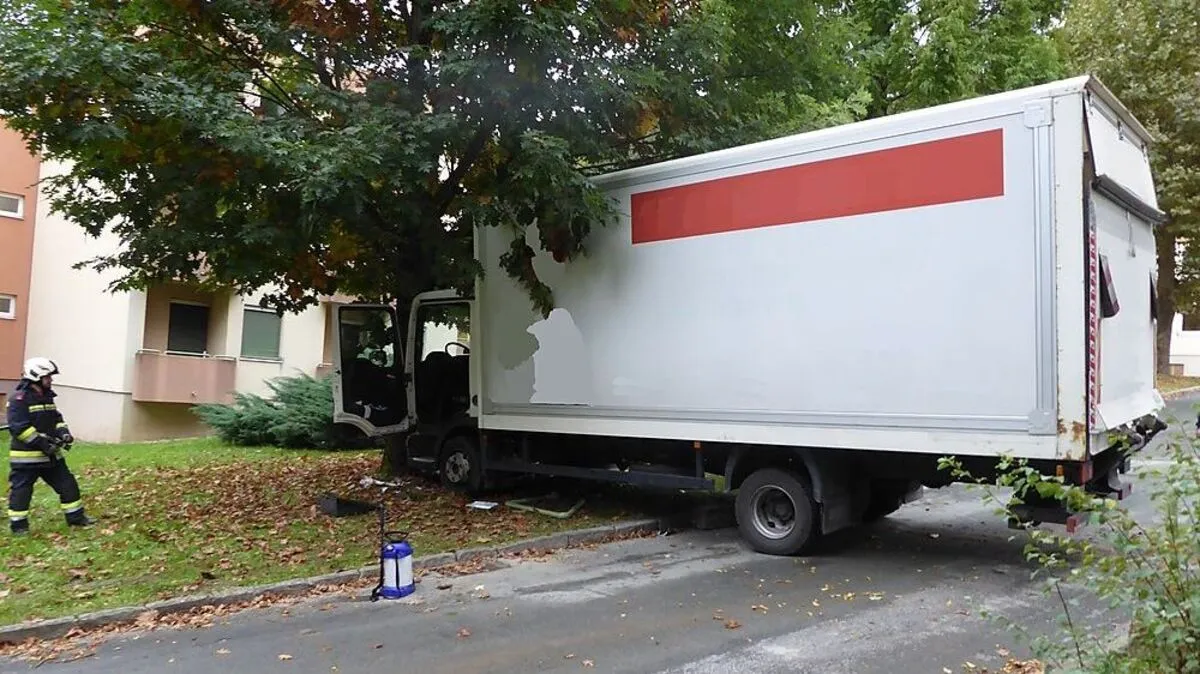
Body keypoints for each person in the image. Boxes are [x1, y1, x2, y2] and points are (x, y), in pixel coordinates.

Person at [6, 357, 94, 535]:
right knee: (21, 492)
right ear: (37, 376)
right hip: (26, 459)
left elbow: (56, 419)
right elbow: (20, 428)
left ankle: (76, 519)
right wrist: (43, 443)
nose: (51, 380)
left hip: (51, 456)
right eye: (48, 377)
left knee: (68, 485)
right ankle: (19, 526)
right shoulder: (19, 399)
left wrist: (64, 433)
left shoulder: (47, 397)